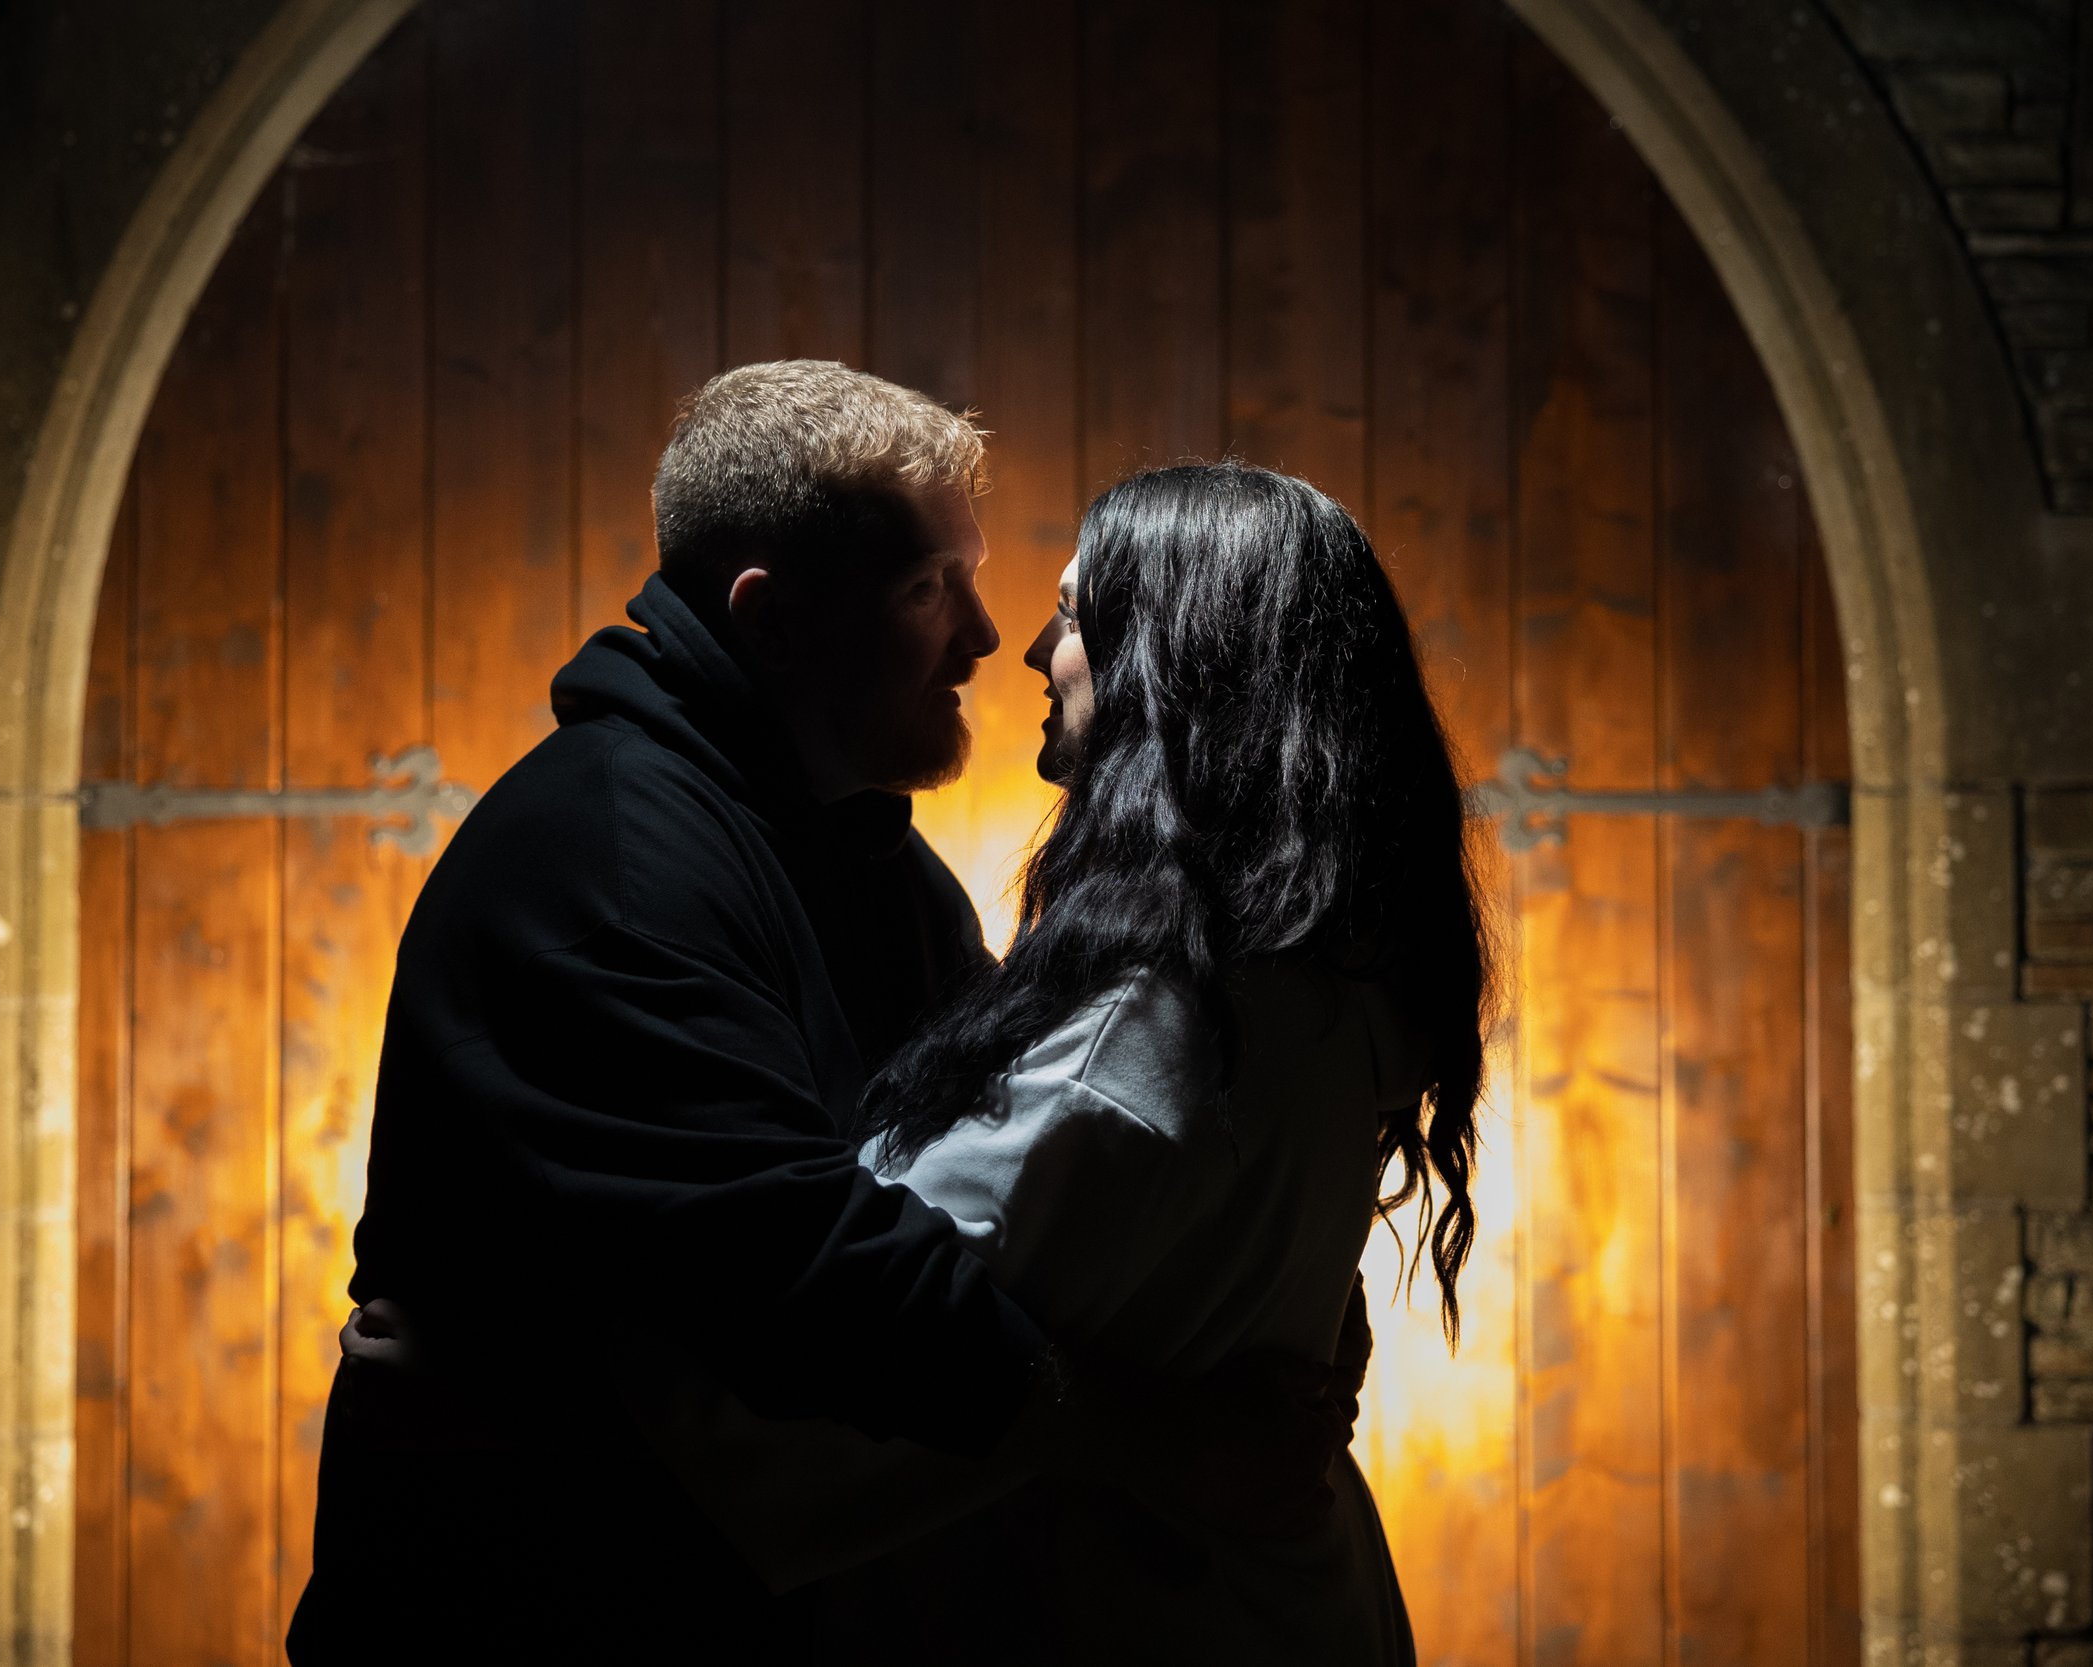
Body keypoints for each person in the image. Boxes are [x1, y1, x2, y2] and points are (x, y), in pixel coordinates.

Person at [286, 365, 1353, 1665]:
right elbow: (791, 1257)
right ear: (771, 618)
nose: (980, 632)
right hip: (523, 1613)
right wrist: (1156, 1430)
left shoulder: (869, 863)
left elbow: (1010, 1185)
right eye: (926, 588)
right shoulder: (608, 849)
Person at [635, 461, 1495, 1665]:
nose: (1035, 649)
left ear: (1180, 659)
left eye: (1078, 611)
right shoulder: (1321, 979)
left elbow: (837, 1380)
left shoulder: (1130, 1055)